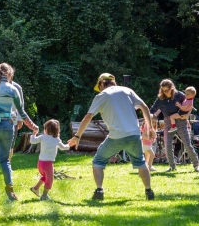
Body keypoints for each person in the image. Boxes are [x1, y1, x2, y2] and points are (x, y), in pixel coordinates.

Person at [67, 73, 156, 201]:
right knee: (141, 162)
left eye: (100, 87)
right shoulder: (128, 91)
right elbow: (145, 108)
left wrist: (77, 136)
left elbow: (88, 117)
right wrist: (150, 128)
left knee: (98, 161)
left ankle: (99, 191)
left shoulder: (102, 95)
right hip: (134, 135)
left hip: (116, 137)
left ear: (102, 83)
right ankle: (149, 191)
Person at [0, 62, 38, 202]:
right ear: (9, 74)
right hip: (7, 126)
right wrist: (33, 126)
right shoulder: (13, 89)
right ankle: (10, 191)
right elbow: (21, 113)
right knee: (5, 160)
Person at [150, 79, 199, 172]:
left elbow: (189, 104)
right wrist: (150, 116)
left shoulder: (179, 95)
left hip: (181, 120)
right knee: (167, 145)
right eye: (163, 90)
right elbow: (152, 109)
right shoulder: (160, 98)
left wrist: (188, 115)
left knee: (187, 143)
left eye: (167, 90)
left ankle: (196, 165)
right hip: (168, 122)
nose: (165, 92)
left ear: (171, 88)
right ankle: (172, 166)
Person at [30, 119, 70, 200]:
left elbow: (32, 141)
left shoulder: (42, 137)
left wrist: (34, 134)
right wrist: (69, 145)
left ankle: (36, 188)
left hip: (40, 163)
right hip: (48, 164)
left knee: (45, 177)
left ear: (46, 129)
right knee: (50, 179)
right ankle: (44, 195)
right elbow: (63, 147)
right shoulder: (56, 140)